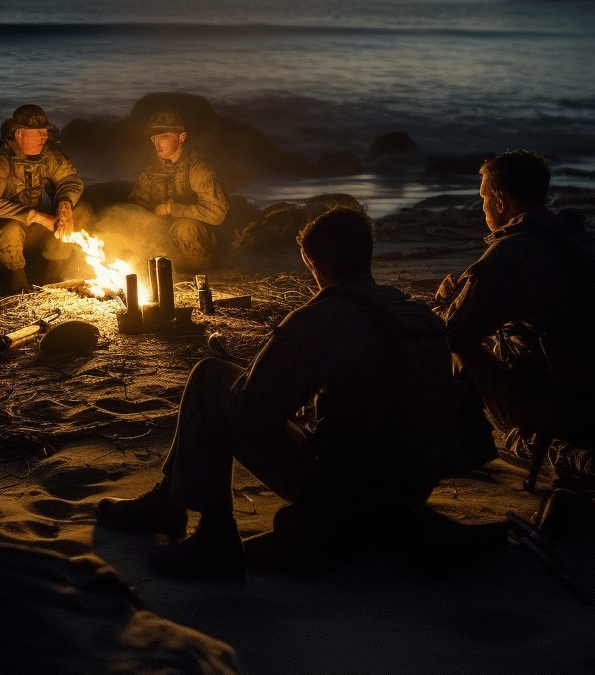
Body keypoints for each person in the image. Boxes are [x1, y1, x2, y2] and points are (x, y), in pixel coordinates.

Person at [97, 209, 482, 578]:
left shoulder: (323, 316)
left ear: (317, 264)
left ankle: (213, 537)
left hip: (348, 489)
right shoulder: (418, 315)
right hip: (410, 487)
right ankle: (169, 498)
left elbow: (250, 411)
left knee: (210, 378)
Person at [432, 149, 595, 514]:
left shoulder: (511, 252)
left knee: (460, 344)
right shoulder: (588, 244)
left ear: (500, 199)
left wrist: (442, 304)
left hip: (562, 414)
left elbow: (453, 332)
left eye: (482, 198)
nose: (482, 208)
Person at [0, 104, 87, 292]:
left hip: (29, 229)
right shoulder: (0, 159)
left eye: (44, 131)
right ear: (19, 133)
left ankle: (54, 270)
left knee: (80, 211)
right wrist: (36, 216)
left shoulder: (46, 154)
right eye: (38, 132)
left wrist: (65, 202)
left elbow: (70, 179)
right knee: (10, 229)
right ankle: (17, 278)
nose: (44, 137)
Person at [124, 110, 232, 272]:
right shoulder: (151, 171)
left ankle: (194, 272)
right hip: (165, 238)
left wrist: (172, 209)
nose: (157, 143)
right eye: (154, 138)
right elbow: (134, 206)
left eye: (164, 137)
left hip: (201, 242)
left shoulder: (199, 167)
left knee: (184, 229)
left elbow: (216, 213)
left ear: (182, 137)